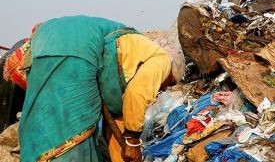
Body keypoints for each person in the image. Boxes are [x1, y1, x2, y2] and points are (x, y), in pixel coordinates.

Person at [17, 15, 186, 162]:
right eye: (169, 83)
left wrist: (128, 147)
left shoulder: (128, 69)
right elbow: (137, 94)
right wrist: (133, 141)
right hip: (79, 49)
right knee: (74, 135)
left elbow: (116, 129)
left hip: (44, 42)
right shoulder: (163, 59)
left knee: (40, 124)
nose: (163, 90)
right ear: (171, 74)